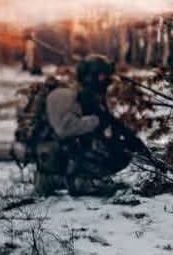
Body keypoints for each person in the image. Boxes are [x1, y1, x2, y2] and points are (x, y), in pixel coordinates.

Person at [29, 54, 139, 196]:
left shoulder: (91, 97)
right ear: (91, 76)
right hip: (53, 153)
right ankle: (53, 180)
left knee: (118, 152)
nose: (105, 81)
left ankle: (83, 178)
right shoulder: (64, 95)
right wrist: (96, 122)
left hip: (69, 153)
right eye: (101, 76)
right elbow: (64, 129)